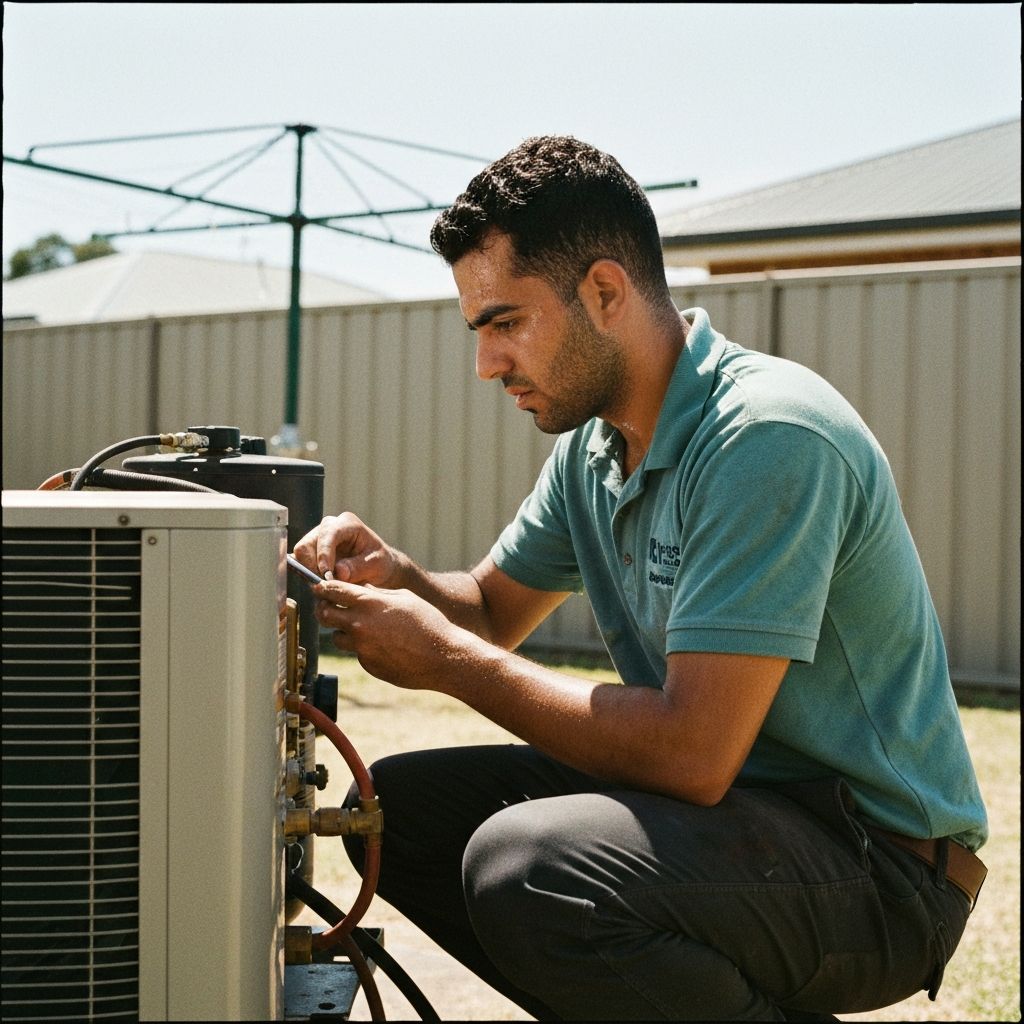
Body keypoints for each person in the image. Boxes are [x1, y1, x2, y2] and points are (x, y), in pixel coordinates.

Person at [294, 136, 988, 1021]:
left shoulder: (766, 437)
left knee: (536, 869)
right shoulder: (597, 446)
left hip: (883, 870)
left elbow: (692, 755)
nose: (487, 365)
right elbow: (491, 613)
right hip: (740, 820)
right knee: (395, 816)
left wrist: (448, 663)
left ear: (606, 292)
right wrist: (401, 582)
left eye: (505, 323)